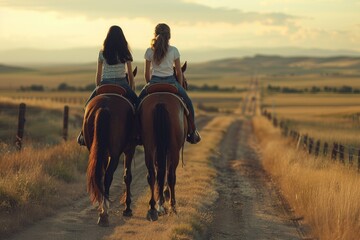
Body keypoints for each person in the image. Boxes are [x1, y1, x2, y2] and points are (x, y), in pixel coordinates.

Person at [139, 23, 201, 144]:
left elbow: (146, 74)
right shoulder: (174, 50)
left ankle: (135, 132)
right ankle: (192, 132)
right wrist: (179, 85)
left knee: (137, 104)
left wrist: (150, 84)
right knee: (188, 103)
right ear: (169, 36)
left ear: (155, 34)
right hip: (171, 82)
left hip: (154, 82)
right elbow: (178, 72)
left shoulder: (149, 51)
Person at [77, 25, 138, 146]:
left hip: (105, 83)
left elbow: (98, 75)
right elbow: (130, 76)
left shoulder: (102, 53)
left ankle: (83, 134)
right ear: (122, 38)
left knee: (87, 106)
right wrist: (131, 89)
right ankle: (137, 134)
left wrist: (98, 87)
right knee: (139, 105)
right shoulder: (125, 53)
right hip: (122, 83)